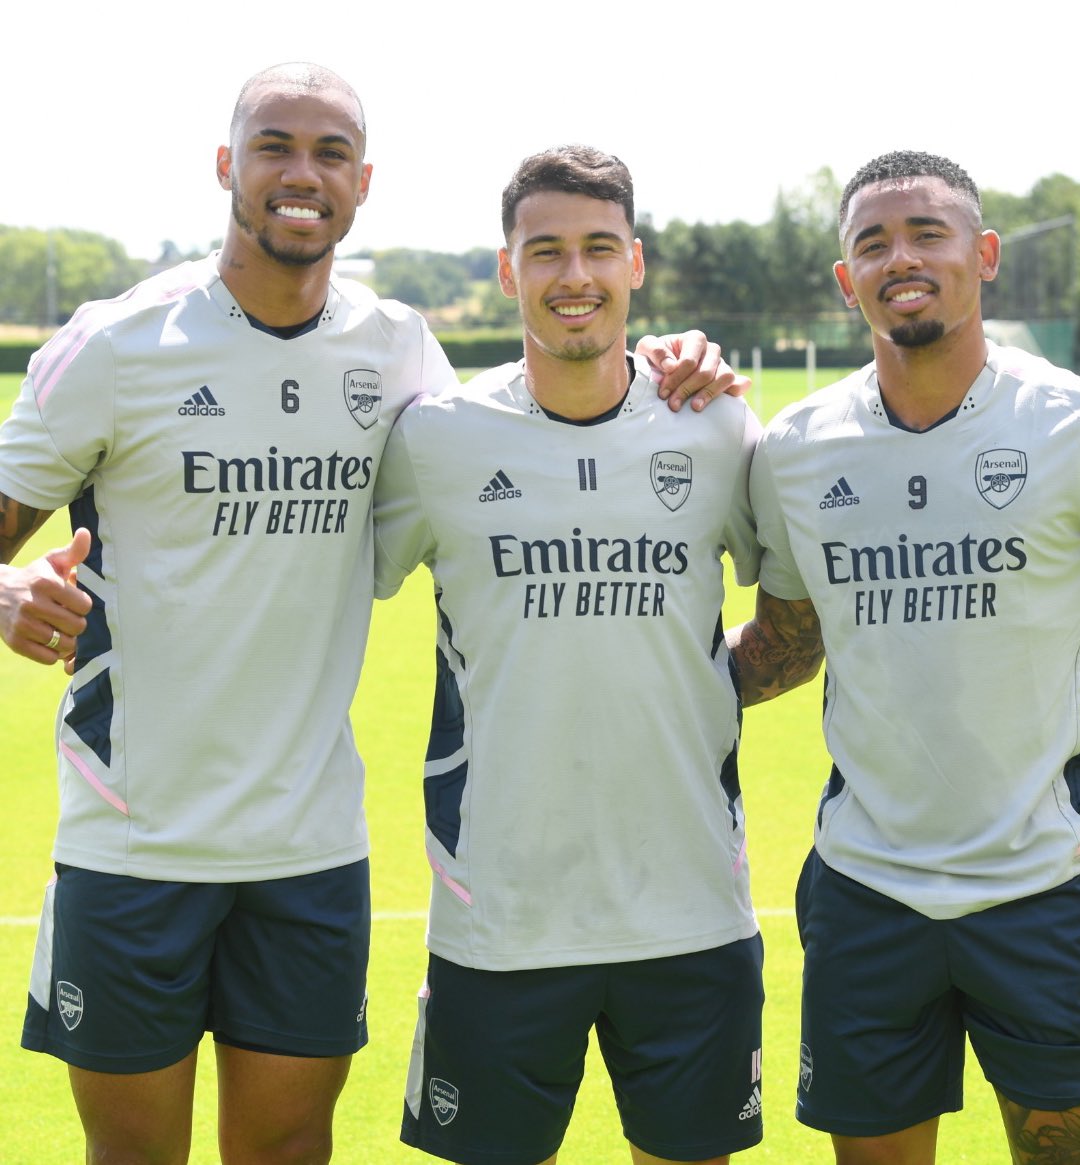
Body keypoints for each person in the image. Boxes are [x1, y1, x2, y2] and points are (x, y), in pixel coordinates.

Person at [0, 65, 740, 1165]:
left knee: (291, 1149)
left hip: (310, 848)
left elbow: (523, 420)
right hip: (130, 839)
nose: (302, 174)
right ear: (227, 166)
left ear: (363, 182)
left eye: (330, 152)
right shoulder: (117, 343)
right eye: (274, 147)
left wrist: (669, 360)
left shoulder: (398, 352)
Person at [729, 149, 1080, 1165]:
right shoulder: (796, 447)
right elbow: (788, 643)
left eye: (927, 231)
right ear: (847, 281)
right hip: (865, 894)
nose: (901, 256)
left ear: (984, 254)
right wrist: (622, 670)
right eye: (871, 242)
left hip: (1051, 894)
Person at [374, 145, 765, 1165]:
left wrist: (697, 686)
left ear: (635, 263)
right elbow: (303, 580)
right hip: (498, 916)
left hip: (689, 908)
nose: (573, 275)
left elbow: (803, 616)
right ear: (508, 271)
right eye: (544, 250)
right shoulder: (436, 440)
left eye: (598, 248)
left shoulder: (717, 424)